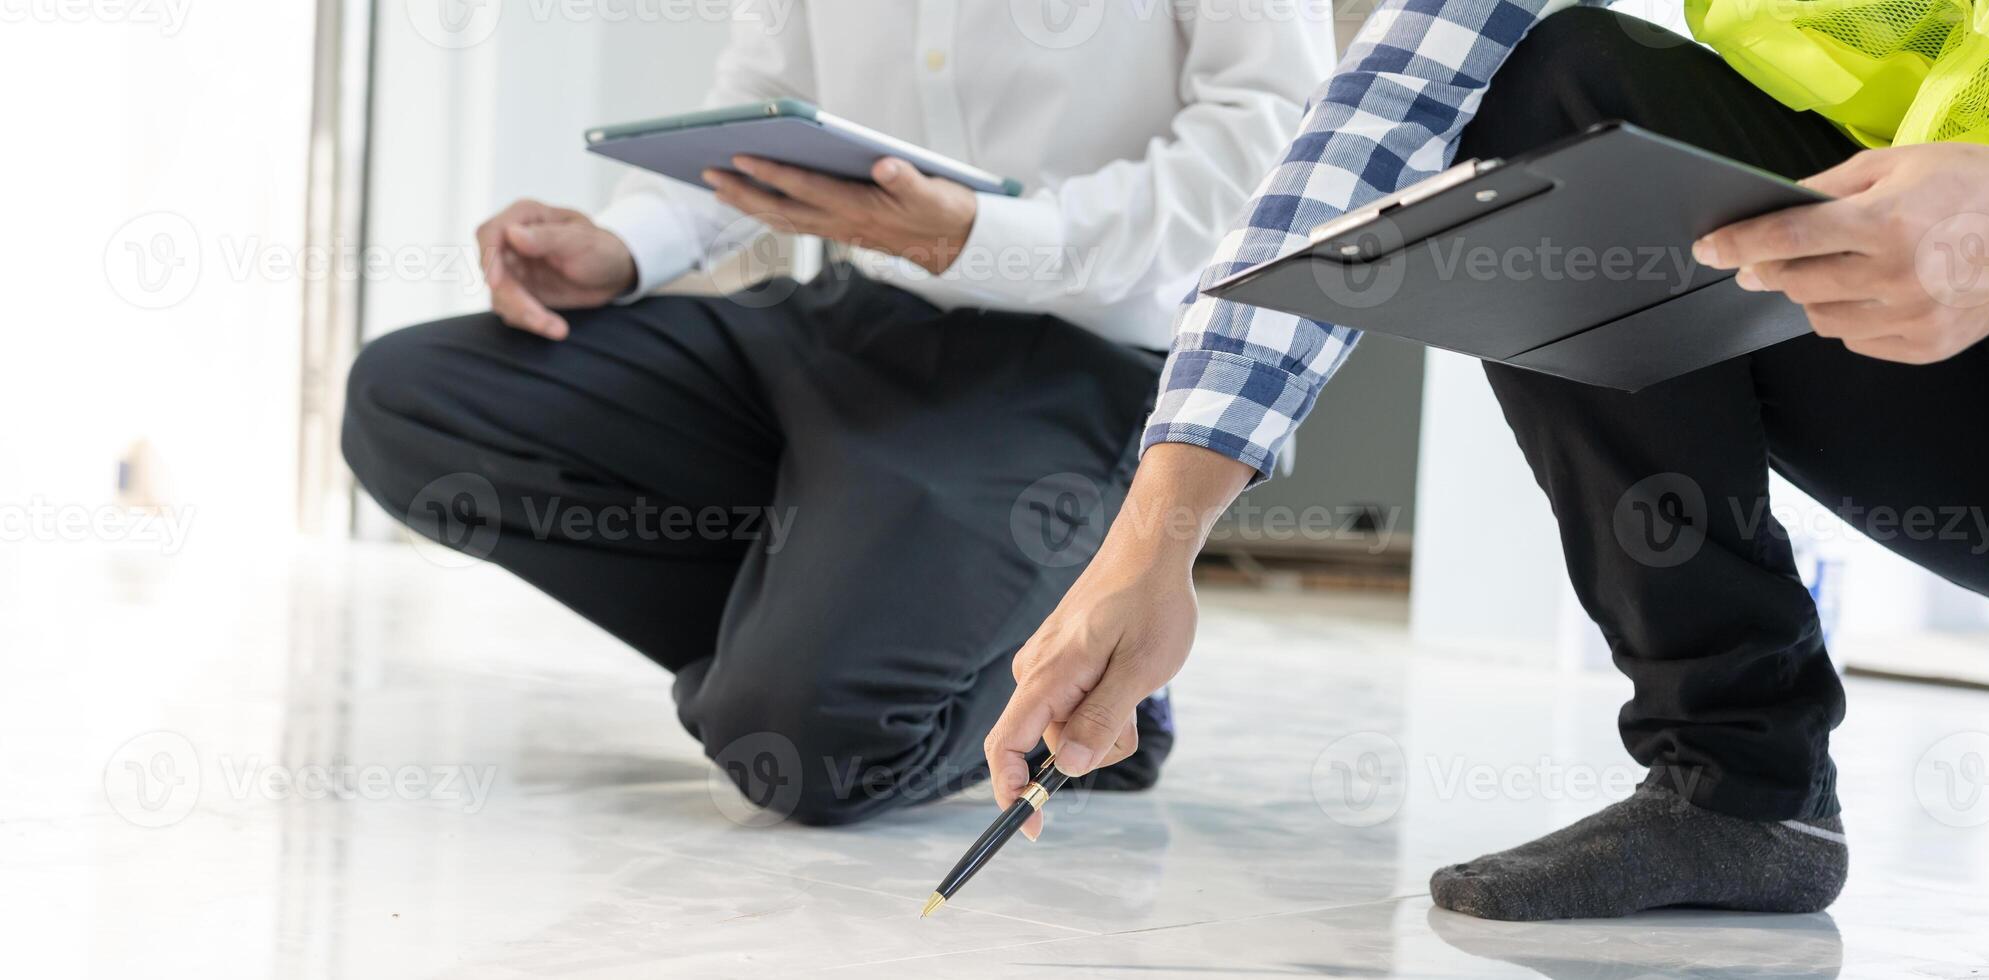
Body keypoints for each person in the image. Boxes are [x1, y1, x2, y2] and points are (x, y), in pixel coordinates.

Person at [984, 2, 1989, 975]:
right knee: (1553, 94)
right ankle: (1735, 781)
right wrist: (1158, 535)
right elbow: (1385, 122)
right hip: (1985, 365)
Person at [340, 6, 1330, 825]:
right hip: (852, 319)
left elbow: (1269, 156)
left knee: (816, 745)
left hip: (1085, 360)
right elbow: (762, 117)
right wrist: (626, 243)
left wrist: (991, 238)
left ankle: (1087, 692)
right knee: (412, 400)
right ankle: (844, 624)